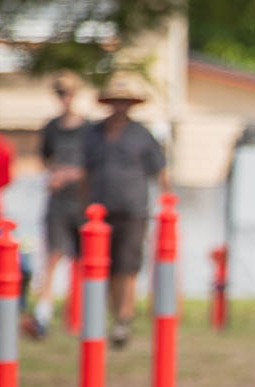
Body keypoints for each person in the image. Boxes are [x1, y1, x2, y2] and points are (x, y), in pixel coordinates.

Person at [80, 76, 171, 349]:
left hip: (133, 209)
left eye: (125, 102)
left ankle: (124, 318)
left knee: (127, 266)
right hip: (99, 212)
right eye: (116, 101)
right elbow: (84, 173)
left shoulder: (142, 134)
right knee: (102, 267)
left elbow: (161, 171)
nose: (120, 106)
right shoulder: (93, 133)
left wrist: (167, 204)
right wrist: (83, 207)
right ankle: (109, 315)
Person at [36, 74, 89, 337]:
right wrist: (55, 174)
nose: (64, 98)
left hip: (82, 201)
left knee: (83, 259)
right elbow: (46, 159)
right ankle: (43, 316)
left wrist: (70, 175)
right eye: (60, 93)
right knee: (53, 255)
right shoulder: (52, 127)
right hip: (57, 201)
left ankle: (79, 316)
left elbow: (93, 166)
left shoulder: (89, 129)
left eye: (68, 93)